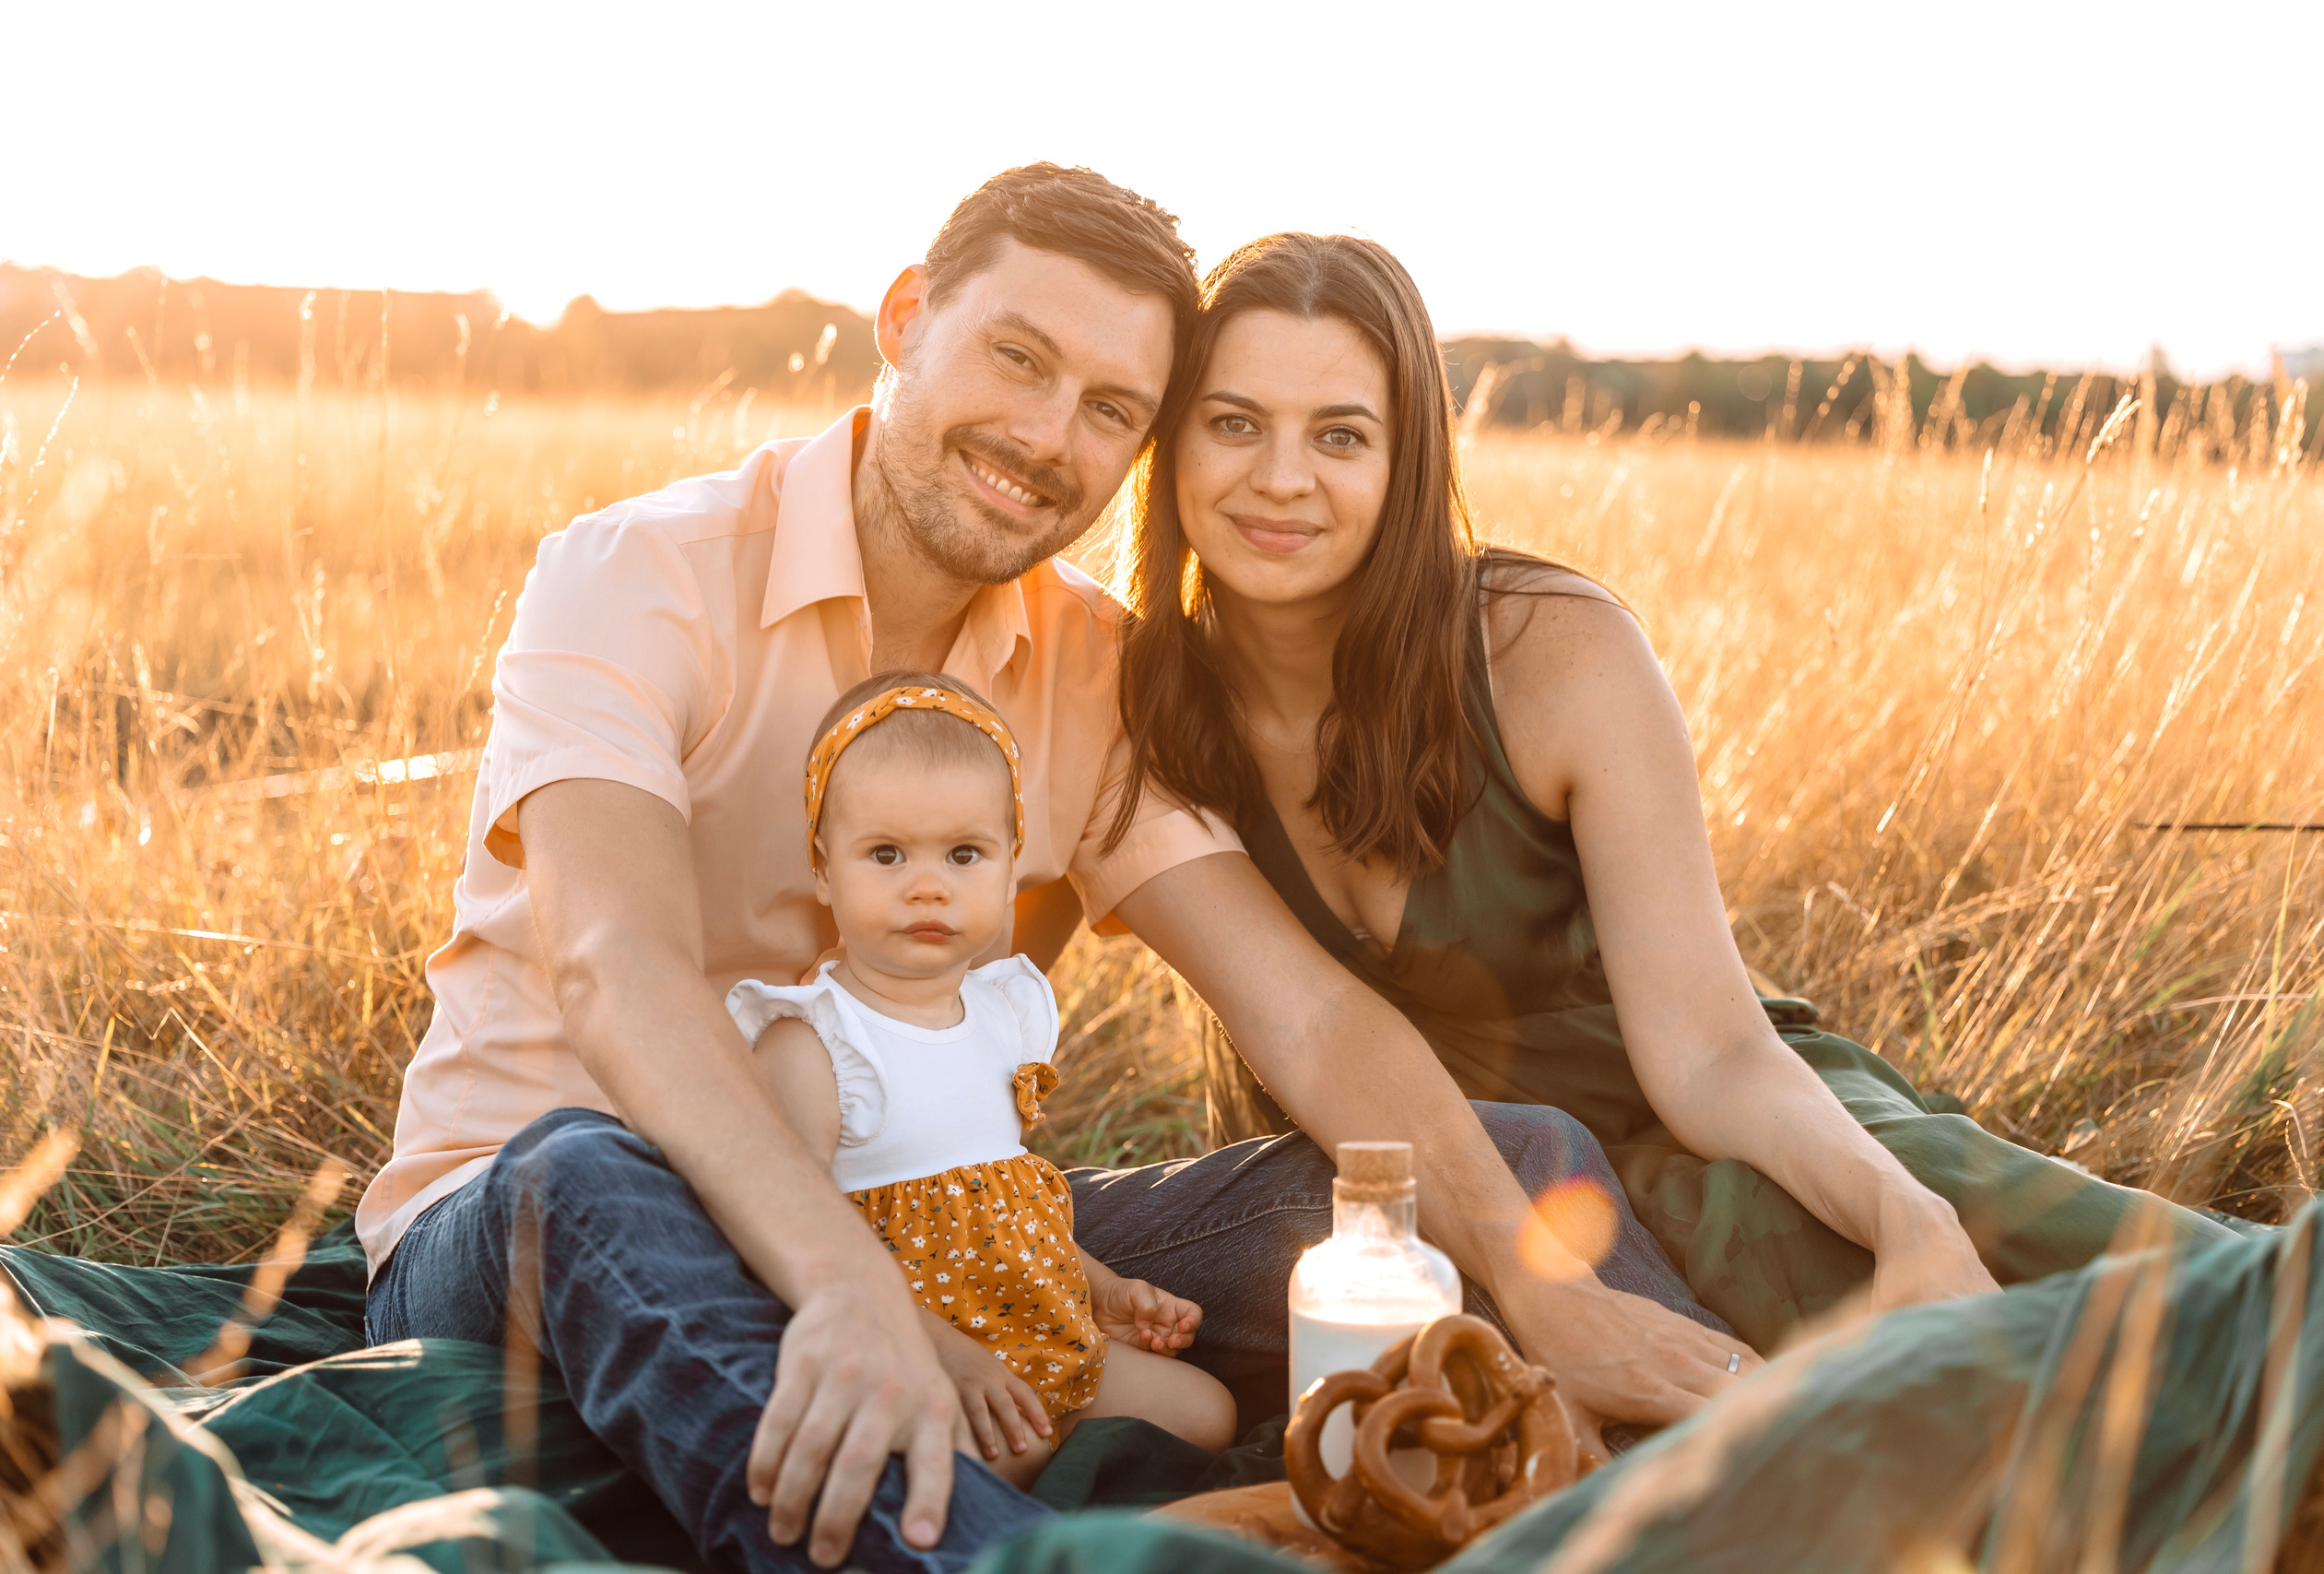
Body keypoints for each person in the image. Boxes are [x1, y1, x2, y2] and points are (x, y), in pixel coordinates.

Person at [357, 166, 1748, 1574]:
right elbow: (617, 964)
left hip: (920, 1208)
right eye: (1019, 357)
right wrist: (847, 1283)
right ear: (906, 319)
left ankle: (1732, 1501)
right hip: (550, 1217)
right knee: (588, 1171)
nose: (1044, 436)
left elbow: (1307, 1011)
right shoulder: (636, 573)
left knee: (1506, 1173)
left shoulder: (1090, 663)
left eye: (1110, 409)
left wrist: (1535, 1280)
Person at [1108, 231, 2244, 1354]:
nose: (1281, 477)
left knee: (2182, 1312)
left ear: (1408, 465)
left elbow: (1710, 1056)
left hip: (1733, 1133)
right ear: (1174, 439)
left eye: (1341, 435)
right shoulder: (1136, 700)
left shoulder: (1547, 651)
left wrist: (1908, 1214)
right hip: (1440, 1205)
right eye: (1234, 423)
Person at [729, 670, 1236, 1488]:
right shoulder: (816, 1039)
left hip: (1043, 1330)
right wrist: (935, 1347)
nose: (928, 883)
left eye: (964, 854)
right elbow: (782, 1232)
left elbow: (1008, 1207)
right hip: (910, 1350)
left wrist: (1101, 1292)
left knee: (1207, 1411)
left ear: (1008, 872)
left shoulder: (1005, 1014)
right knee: (979, 1466)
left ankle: (1063, 1457)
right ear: (824, 871)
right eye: (886, 853)